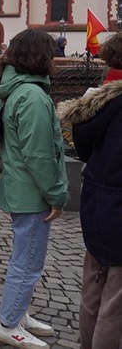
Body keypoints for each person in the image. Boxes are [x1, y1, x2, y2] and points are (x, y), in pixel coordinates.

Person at [0, 30, 66, 348]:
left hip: (22, 187)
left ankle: (17, 312)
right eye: (50, 52)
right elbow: (39, 155)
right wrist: (57, 194)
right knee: (29, 260)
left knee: (26, 257)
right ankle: (8, 322)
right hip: (32, 192)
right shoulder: (32, 96)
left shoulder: (19, 90)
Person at [59, 32, 122, 349]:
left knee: (92, 288)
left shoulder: (96, 101)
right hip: (118, 206)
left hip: (95, 203)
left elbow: (83, 149)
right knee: (115, 305)